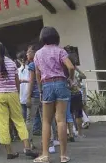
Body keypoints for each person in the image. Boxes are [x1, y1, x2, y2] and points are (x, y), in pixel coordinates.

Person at [33, 27, 75, 163]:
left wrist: (40, 89)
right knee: (61, 120)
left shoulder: (38, 54)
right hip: (61, 83)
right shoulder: (60, 50)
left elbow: (38, 74)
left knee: (46, 121)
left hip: (47, 85)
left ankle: (45, 155)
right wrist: (70, 79)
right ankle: (63, 156)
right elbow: (71, 67)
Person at [0, 42, 38, 159]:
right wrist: (15, 92)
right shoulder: (12, 63)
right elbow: (16, 81)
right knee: (19, 120)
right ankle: (27, 147)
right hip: (12, 94)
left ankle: (9, 152)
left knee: (3, 123)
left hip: (0, 95)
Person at [26, 45, 43, 149]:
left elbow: (31, 82)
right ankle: (49, 141)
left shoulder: (32, 64)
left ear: (34, 53)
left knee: (29, 120)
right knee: (46, 119)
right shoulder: (42, 63)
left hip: (34, 96)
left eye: (28, 52)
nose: (27, 54)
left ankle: (30, 143)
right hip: (44, 94)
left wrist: (28, 96)